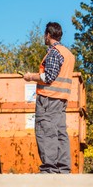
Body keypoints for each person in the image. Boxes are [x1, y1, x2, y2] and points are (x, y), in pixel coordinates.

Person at [23, 22, 75, 174]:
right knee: (60, 133)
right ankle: (63, 168)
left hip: (48, 99)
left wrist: (30, 76)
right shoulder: (68, 54)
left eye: (44, 35)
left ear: (48, 35)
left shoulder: (54, 52)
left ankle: (49, 170)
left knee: (46, 132)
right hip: (61, 99)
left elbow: (48, 77)